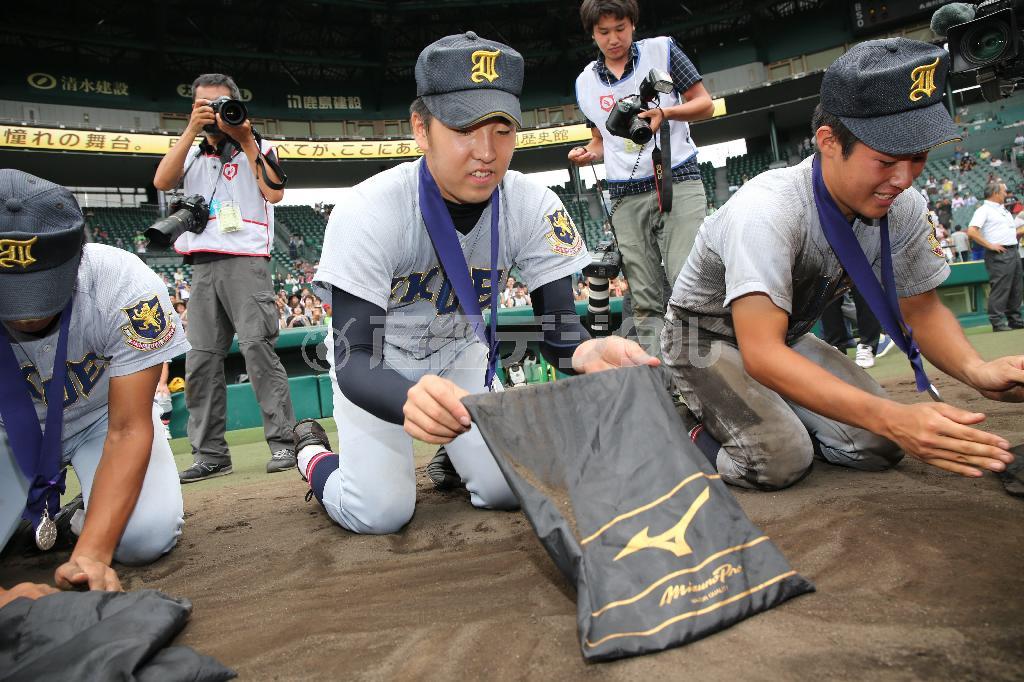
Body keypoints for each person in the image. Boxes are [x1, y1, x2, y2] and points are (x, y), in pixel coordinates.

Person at [293, 32, 657, 535]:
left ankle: (455, 457)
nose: (486, 152)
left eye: (502, 129)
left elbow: (556, 332)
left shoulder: (533, 205)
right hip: (383, 363)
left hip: (461, 354)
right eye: (465, 127)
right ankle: (311, 455)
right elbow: (356, 355)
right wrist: (403, 400)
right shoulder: (368, 209)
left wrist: (584, 353)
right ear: (422, 129)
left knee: (510, 490)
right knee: (379, 513)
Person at [662, 38, 1021, 492]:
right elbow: (762, 354)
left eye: (919, 158)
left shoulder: (903, 204)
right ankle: (683, 428)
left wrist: (977, 370)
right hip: (703, 340)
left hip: (782, 335)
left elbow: (923, 310)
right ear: (829, 142)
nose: (904, 179)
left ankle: (772, 411)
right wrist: (893, 416)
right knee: (780, 459)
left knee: (879, 445)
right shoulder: (766, 209)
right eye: (887, 160)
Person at [0, 170, 188, 608]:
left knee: (145, 538)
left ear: (76, 258)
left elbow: (127, 428)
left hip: (100, 419)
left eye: (40, 288)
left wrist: (93, 555)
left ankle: (75, 523)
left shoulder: (122, 283)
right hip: (7, 429)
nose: (26, 315)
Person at [153, 73, 298, 481]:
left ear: (235, 105)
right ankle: (210, 453)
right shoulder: (191, 154)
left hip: (246, 261)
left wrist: (246, 138)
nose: (214, 112)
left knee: (258, 351)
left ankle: (285, 443)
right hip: (201, 264)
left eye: (220, 105)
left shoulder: (261, 146)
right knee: (200, 360)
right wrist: (190, 130)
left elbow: (274, 193)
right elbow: (162, 182)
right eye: (205, 105)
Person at [568, 0, 714, 356]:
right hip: (624, 194)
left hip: (677, 179)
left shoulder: (661, 50)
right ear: (592, 34)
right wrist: (588, 152)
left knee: (688, 282)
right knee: (645, 299)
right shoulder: (585, 82)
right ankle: (662, 384)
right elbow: (601, 140)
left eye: (620, 28)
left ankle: (705, 377)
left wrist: (665, 111)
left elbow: (705, 104)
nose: (613, 38)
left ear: (632, 24)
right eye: (604, 32)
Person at [967, 181, 1024, 331]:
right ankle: (997, 322)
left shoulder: (1002, 210)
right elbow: (972, 231)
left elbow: (1008, 232)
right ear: (995, 193)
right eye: (1004, 191)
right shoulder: (984, 210)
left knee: (1016, 287)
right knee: (1001, 287)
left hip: (1013, 250)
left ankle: (1015, 319)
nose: (1007, 194)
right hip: (998, 253)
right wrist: (990, 245)